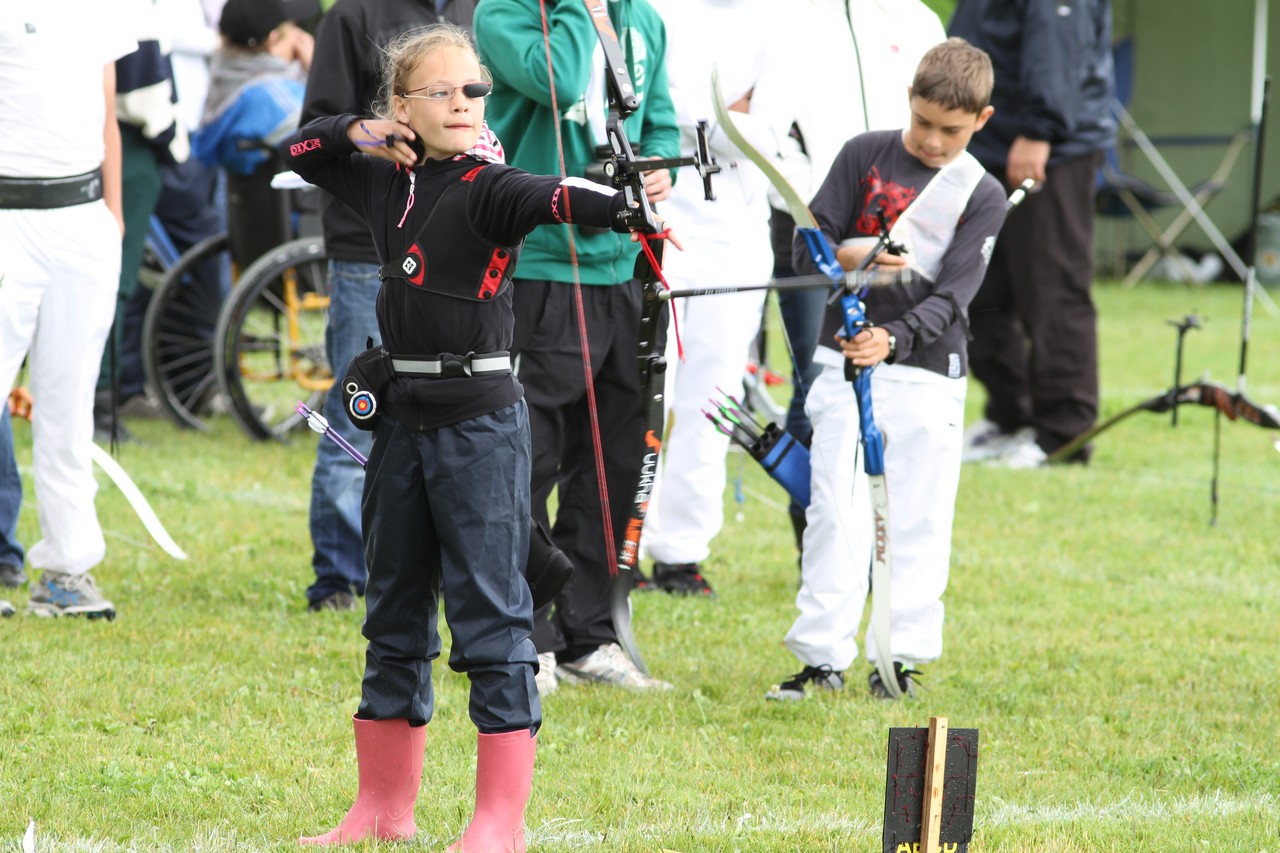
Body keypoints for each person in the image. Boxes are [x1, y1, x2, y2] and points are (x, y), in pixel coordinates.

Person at [282, 22, 650, 848]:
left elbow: (554, 196)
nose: (461, 103)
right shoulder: (386, 180)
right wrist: (356, 131)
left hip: (479, 428)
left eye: (473, 91)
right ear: (402, 105)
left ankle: (497, 823)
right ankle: (382, 808)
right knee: (393, 612)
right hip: (401, 424)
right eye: (441, 91)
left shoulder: (489, 183)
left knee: (490, 617)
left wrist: (620, 204)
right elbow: (301, 149)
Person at [766, 38, 1007, 701]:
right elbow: (805, 243)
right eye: (924, 122)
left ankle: (897, 658)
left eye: (951, 131)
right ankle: (821, 657)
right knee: (834, 510)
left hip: (928, 368)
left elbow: (954, 295)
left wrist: (892, 338)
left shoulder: (980, 193)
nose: (932, 141)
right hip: (842, 359)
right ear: (909, 100)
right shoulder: (864, 152)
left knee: (920, 517)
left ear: (982, 122)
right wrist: (854, 253)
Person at [474, 0, 678, 694]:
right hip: (540, 267)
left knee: (613, 457)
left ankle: (589, 632)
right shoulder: (504, 12)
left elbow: (659, 119)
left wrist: (657, 172)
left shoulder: (643, 19)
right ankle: (523, 631)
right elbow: (558, 79)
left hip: (622, 265)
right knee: (533, 453)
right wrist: (577, 9)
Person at [299, 0, 477, 613]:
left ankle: (431, 570)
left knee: (455, 415)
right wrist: (360, 131)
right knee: (359, 406)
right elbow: (308, 134)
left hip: (456, 252)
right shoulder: (352, 15)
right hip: (366, 246)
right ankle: (338, 577)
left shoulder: (481, 11)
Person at [637, 0, 780, 597]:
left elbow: (767, 126)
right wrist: (722, 112)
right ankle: (622, 542)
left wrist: (722, 118)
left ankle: (681, 553)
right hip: (650, 218)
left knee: (713, 397)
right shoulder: (645, 8)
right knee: (640, 389)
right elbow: (646, 108)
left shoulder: (778, 16)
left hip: (736, 235)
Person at [0, 3, 136, 619]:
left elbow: (105, 111)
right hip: (8, 215)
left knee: (68, 400)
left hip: (82, 221)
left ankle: (65, 569)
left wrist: (113, 217)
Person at [949, 0, 1115, 468]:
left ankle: (1064, 434)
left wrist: (1042, 128)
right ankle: (1012, 415)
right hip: (990, 146)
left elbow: (1058, 35)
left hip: (1047, 149)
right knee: (981, 286)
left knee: (1052, 289)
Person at [94, 4, 189, 444]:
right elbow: (146, 94)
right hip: (126, 146)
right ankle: (100, 401)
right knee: (115, 280)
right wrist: (171, 140)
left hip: (90, 143)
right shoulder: (136, 9)